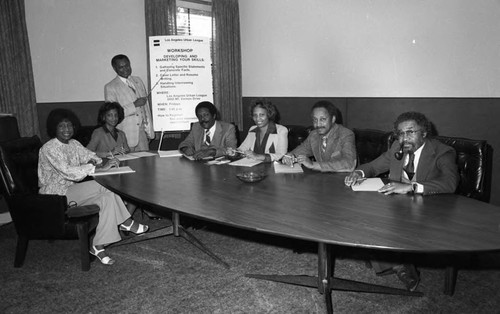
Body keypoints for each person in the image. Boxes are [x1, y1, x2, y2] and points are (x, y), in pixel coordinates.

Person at [344, 111, 460, 291]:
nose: (404, 138)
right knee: (362, 215)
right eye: (400, 133)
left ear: (424, 133)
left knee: (382, 226)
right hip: (399, 205)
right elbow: (374, 166)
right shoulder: (396, 148)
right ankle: (396, 262)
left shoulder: (442, 152)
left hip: (431, 208)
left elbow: (449, 183)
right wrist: (358, 173)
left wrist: (411, 187)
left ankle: (391, 262)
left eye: (410, 132)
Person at [38, 109, 149, 266]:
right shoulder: (49, 148)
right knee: (106, 187)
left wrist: (103, 162)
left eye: (69, 126)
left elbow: (91, 156)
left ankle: (98, 246)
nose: (67, 130)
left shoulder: (74, 144)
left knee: (108, 197)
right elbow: (70, 173)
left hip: (71, 190)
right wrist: (96, 167)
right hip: (56, 196)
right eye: (62, 126)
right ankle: (125, 220)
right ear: (53, 128)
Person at [282, 100, 356, 172]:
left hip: (342, 180)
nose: (318, 125)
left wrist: (313, 165)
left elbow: (349, 163)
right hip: (321, 180)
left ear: (333, 119)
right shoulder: (314, 135)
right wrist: (289, 156)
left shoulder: (346, 134)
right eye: (315, 120)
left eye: (322, 119)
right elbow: (299, 151)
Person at [104, 54, 154, 151]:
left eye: (127, 65)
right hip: (125, 134)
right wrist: (134, 105)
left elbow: (145, 108)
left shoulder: (138, 80)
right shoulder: (110, 87)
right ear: (115, 69)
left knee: (146, 162)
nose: (125, 69)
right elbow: (113, 114)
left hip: (142, 132)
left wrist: (149, 130)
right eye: (121, 67)